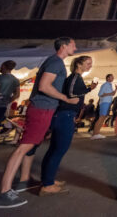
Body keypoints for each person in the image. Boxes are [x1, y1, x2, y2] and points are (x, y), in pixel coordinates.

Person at [0, 37, 78, 209]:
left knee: (27, 147)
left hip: (43, 109)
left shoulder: (55, 62)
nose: (76, 47)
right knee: (23, 148)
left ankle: (15, 185)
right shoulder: (56, 62)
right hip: (41, 109)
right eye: (73, 45)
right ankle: (4, 192)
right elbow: (44, 86)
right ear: (64, 46)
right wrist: (64, 98)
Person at [40, 56, 96, 196]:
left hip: (65, 115)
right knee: (58, 151)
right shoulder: (75, 77)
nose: (90, 66)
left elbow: (75, 90)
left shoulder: (77, 78)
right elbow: (71, 92)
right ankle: (47, 185)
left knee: (54, 150)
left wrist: (88, 88)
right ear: (79, 64)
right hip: (65, 116)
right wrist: (75, 98)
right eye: (88, 63)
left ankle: (48, 180)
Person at [91, 74, 117, 140]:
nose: (113, 78)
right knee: (101, 118)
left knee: (103, 118)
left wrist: (116, 88)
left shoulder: (110, 85)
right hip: (104, 103)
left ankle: (97, 133)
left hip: (108, 103)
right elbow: (100, 94)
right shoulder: (105, 85)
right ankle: (95, 134)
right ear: (108, 78)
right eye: (112, 77)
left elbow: (113, 94)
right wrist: (109, 94)